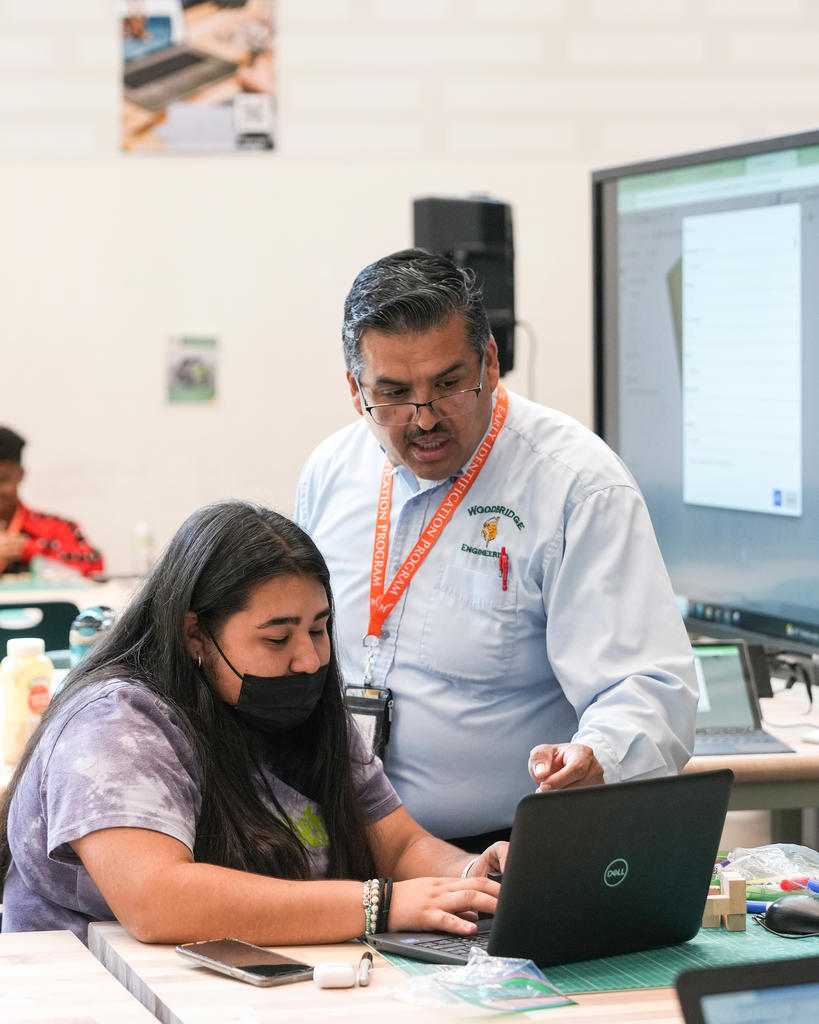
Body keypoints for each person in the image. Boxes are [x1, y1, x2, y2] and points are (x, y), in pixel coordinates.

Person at [295, 248, 698, 849]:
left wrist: (597, 756)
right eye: (395, 393)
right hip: (345, 842)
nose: (424, 417)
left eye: (449, 385)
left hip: (503, 852)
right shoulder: (331, 470)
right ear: (357, 390)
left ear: (490, 361)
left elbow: (648, 686)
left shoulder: (575, 485)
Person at [0, 500, 504, 945]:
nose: (308, 659)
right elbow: (158, 901)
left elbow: (400, 843)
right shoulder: (116, 721)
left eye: (319, 628)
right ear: (195, 633)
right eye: (277, 639)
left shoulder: (301, 708)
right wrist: (380, 905)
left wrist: (473, 878)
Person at [0, 426, 104, 578]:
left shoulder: (55, 527)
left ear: (20, 475)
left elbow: (94, 565)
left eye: (3, 480)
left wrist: (28, 549)